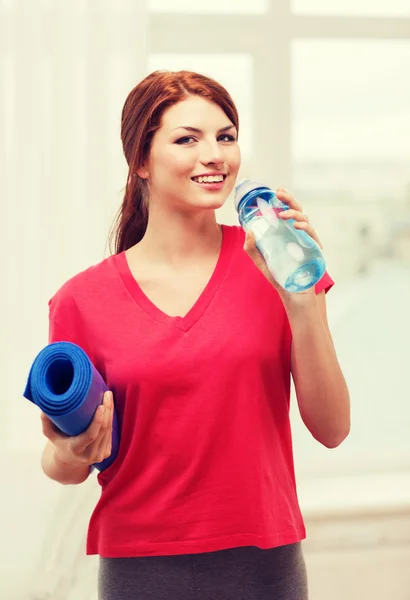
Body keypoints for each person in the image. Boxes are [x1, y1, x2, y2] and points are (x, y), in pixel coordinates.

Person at [40, 70, 350, 600]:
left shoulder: (278, 264)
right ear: (140, 159)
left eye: (226, 137)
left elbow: (332, 427)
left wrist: (303, 301)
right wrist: (73, 451)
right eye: (188, 138)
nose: (216, 155)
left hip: (265, 564)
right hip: (141, 569)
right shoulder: (81, 301)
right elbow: (60, 459)